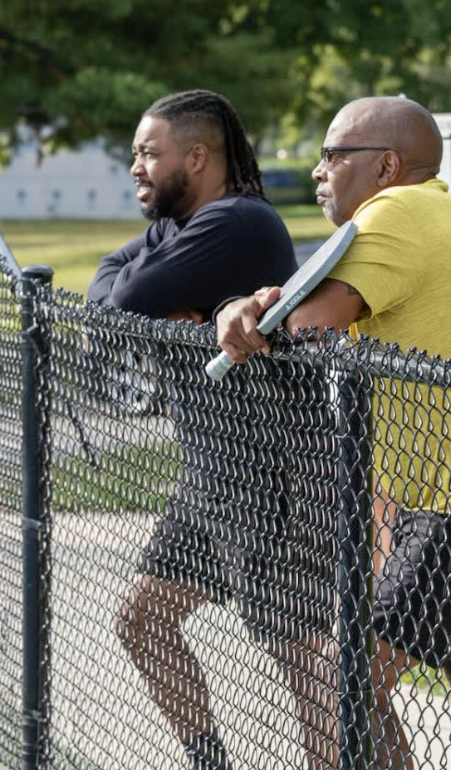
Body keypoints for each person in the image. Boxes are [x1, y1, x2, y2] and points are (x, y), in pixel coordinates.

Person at [216, 96, 451, 770]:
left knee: (350, 683)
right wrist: (257, 303)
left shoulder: (396, 213)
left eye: (331, 155)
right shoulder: (430, 206)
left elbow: (303, 324)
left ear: (385, 165)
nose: (317, 171)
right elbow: (300, 304)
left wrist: (251, 308)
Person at [90, 90, 329, 770]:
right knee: (143, 620)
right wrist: (149, 301)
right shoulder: (174, 226)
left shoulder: (236, 222)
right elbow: (107, 290)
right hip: (211, 473)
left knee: (297, 648)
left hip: (270, 467)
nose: (136, 166)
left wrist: (149, 303)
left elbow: (127, 299)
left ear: (196, 157)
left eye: (148, 153)